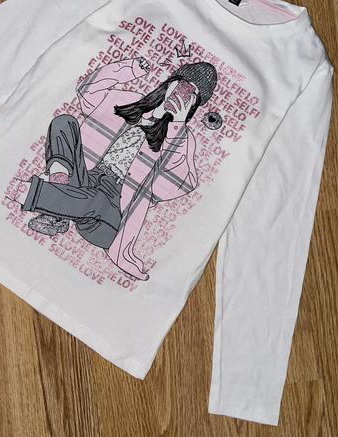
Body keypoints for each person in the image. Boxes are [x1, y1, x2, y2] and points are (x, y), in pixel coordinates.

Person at [15, 57, 218, 280]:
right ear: (170, 82)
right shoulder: (128, 101)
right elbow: (87, 90)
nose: (182, 94)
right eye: (182, 84)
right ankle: (59, 194)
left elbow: (178, 184)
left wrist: (176, 128)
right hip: (85, 178)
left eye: (192, 94)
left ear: (194, 106)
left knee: (97, 201)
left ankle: (35, 196)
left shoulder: (181, 140)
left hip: (111, 211)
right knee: (65, 122)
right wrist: (129, 69)